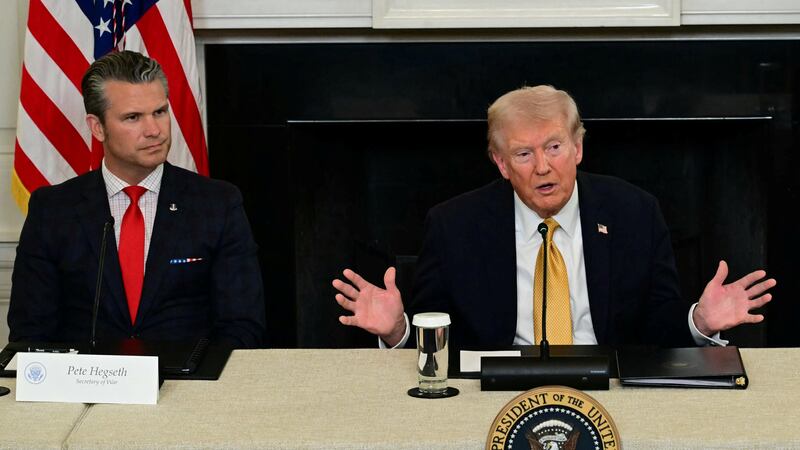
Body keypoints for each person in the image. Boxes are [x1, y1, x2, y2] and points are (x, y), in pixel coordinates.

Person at [333, 85, 775, 350]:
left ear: (578, 148)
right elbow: (437, 338)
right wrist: (399, 331)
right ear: (501, 164)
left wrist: (699, 323)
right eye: (524, 154)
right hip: (495, 394)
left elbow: (657, 328)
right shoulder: (455, 226)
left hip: (608, 386)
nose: (543, 167)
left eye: (555, 147)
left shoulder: (634, 212)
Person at [8, 50, 266, 348]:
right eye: (133, 117)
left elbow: (243, 327)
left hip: (191, 387)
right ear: (97, 127)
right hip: (85, 388)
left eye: (160, 112)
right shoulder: (53, 210)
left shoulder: (218, 204)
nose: (154, 130)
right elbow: (30, 333)